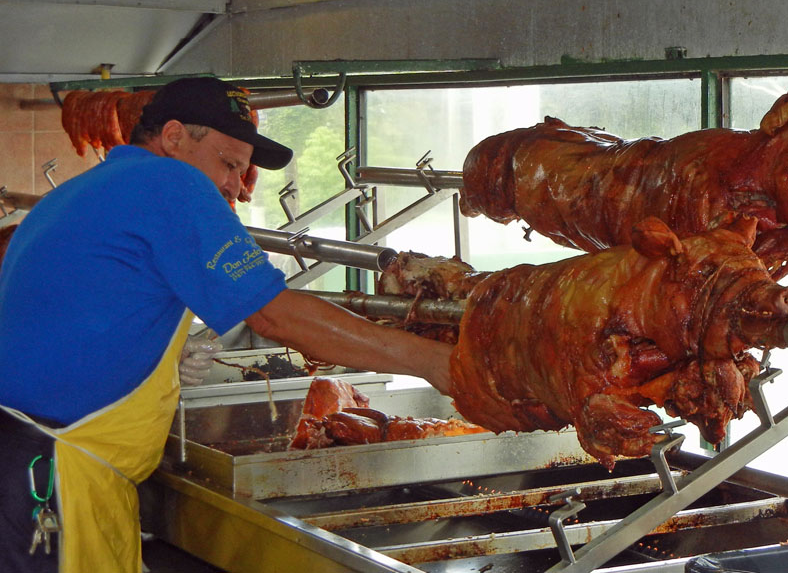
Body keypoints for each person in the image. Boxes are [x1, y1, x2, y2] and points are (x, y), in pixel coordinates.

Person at [0, 77, 453, 573]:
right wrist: (431, 361)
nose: (237, 186)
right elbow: (273, 315)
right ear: (173, 136)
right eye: (230, 163)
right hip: (52, 475)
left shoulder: (90, 187)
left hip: (35, 459)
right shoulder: (171, 184)